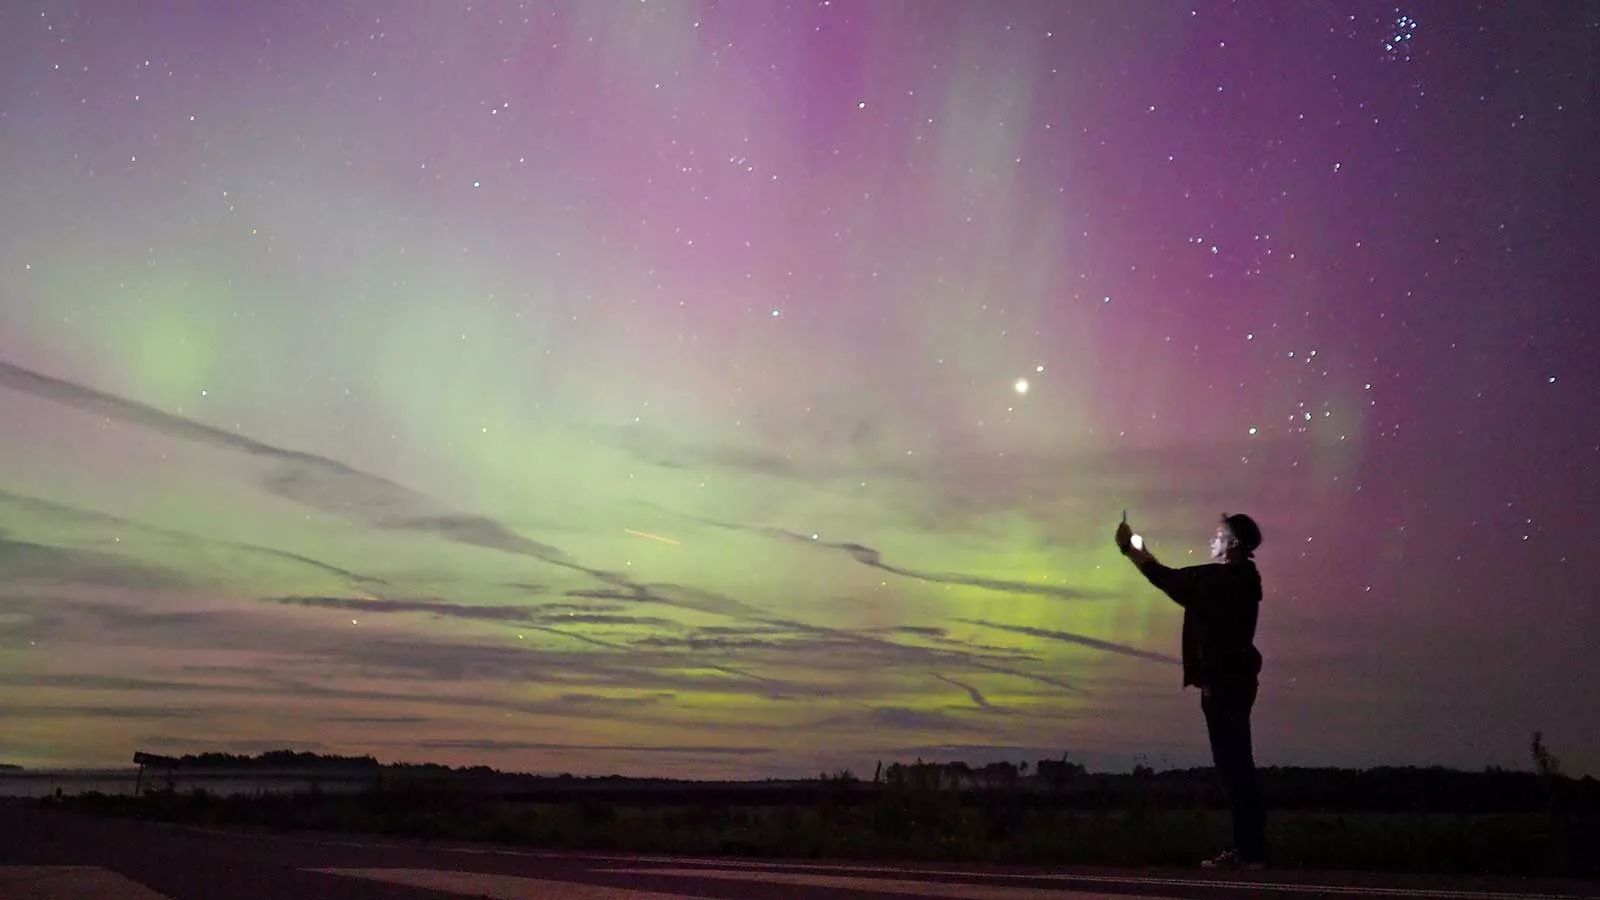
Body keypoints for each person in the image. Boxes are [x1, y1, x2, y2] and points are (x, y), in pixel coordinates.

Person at [1115, 512, 1269, 870]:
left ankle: (1250, 852)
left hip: (1225, 686)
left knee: (1235, 767)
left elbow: (1165, 578)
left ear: (1233, 544)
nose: (1212, 539)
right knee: (1237, 766)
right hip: (1236, 683)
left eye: (1219, 534)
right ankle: (1250, 850)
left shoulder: (1221, 579)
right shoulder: (1244, 579)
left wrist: (1130, 549)